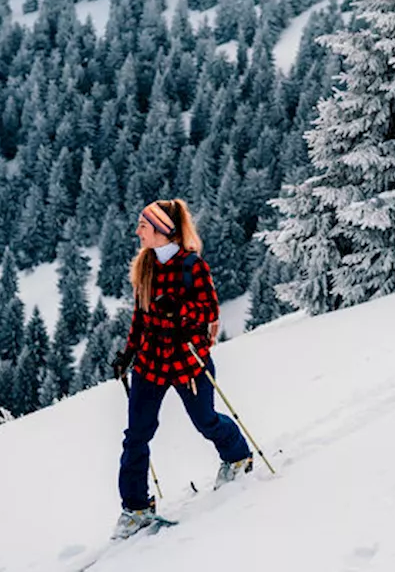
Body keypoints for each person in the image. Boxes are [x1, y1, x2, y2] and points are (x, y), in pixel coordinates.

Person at [110, 199, 253, 539]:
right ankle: (136, 508)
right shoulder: (145, 267)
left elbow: (208, 311)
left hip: (187, 359)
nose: (137, 231)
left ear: (161, 229)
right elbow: (140, 317)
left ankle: (237, 456)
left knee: (205, 420)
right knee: (136, 435)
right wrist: (128, 353)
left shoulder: (192, 266)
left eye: (143, 226)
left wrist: (179, 310)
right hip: (149, 361)